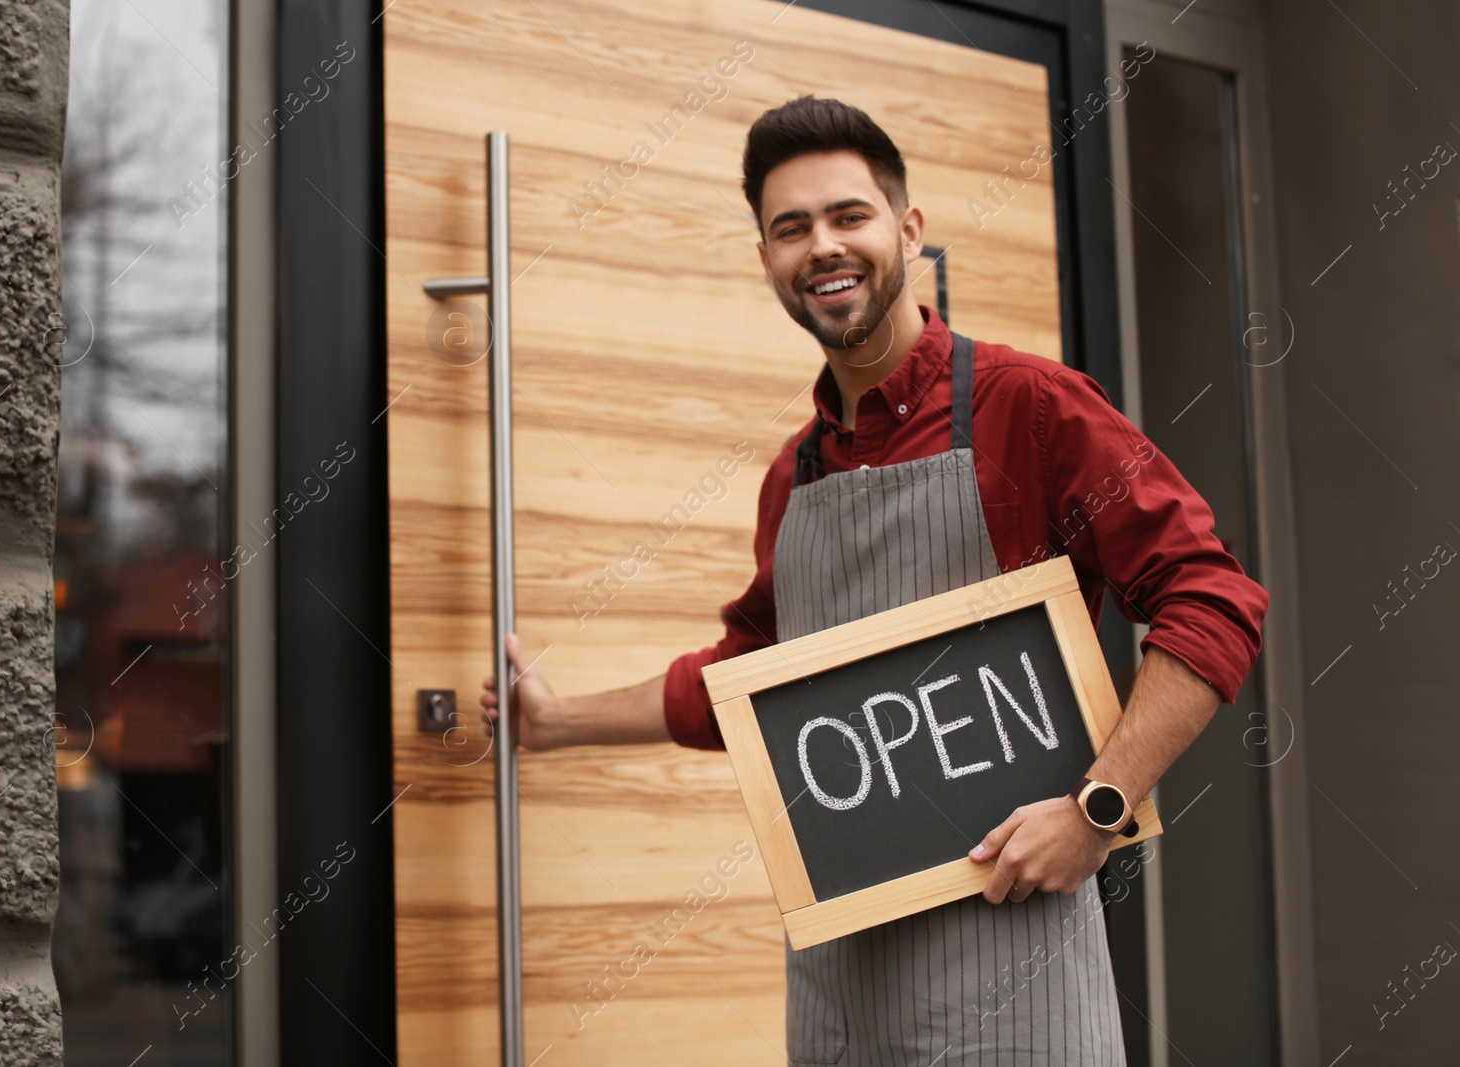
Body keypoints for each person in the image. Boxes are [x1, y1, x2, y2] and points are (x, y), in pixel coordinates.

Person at [482, 95, 1268, 1065]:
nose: (821, 246)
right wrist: (554, 722)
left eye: (847, 216)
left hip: (1013, 956)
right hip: (840, 988)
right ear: (767, 258)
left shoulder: (1029, 408)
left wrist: (1095, 807)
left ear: (907, 229)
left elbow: (1211, 598)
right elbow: (748, 677)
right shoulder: (794, 473)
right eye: (789, 227)